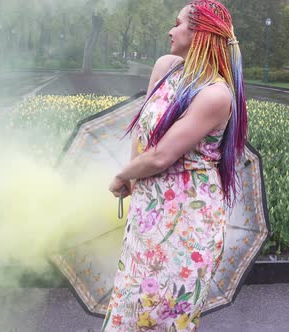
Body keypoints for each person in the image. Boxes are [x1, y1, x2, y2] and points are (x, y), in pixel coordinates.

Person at [103, 1, 247, 330]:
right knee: (131, 305)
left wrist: (122, 174)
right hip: (149, 209)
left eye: (178, 23)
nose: (171, 30)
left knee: (162, 314)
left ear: (199, 34)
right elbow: (144, 135)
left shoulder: (216, 94)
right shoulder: (166, 67)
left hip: (187, 220)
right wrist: (131, 176)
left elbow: (162, 156)